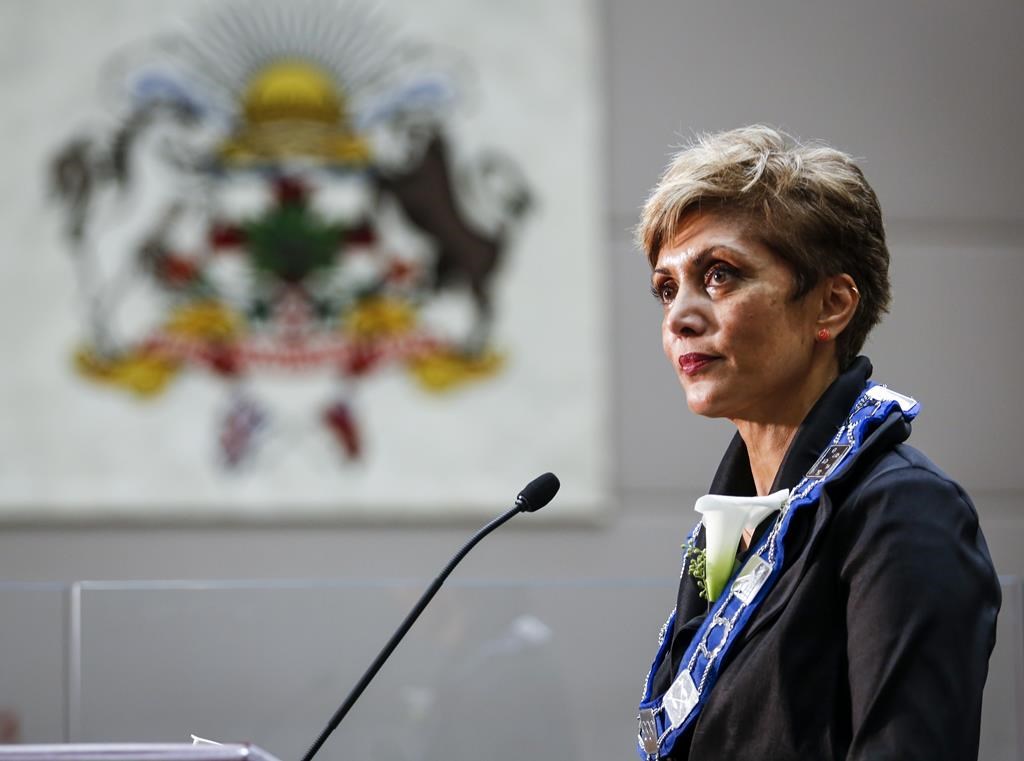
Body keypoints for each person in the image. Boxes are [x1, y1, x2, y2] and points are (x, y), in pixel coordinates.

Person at [634, 126, 1000, 761]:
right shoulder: (728, 524)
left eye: (719, 275)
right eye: (667, 287)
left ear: (831, 306)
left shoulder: (903, 512)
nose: (679, 317)